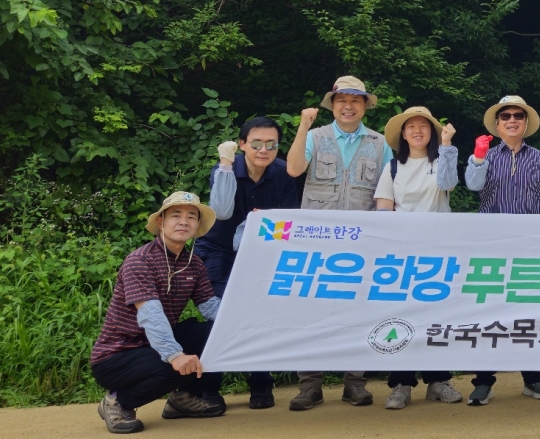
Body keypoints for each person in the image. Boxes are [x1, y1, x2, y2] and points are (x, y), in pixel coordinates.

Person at [284, 75, 393, 410]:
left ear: (365, 106)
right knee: (311, 312)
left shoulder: (379, 143)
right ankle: (309, 385)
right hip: (317, 243)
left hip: (362, 244)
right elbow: (293, 169)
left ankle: (354, 383)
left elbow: (387, 192)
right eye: (342, 100)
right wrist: (303, 125)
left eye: (355, 100)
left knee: (358, 311)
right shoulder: (315, 136)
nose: (348, 106)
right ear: (332, 105)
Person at [91, 192, 224, 434]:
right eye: (176, 215)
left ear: (197, 225)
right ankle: (118, 402)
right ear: (161, 222)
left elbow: (211, 308)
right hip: (118, 356)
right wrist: (175, 355)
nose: (183, 221)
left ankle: (183, 399)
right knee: (175, 366)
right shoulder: (140, 261)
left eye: (191, 217)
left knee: (215, 334)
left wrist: (246, 323)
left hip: (153, 347)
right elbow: (151, 315)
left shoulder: (194, 264)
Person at [463, 94, 540, 406]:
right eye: (506, 116)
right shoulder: (485, 155)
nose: (512, 120)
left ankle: (533, 379)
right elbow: (473, 185)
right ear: (497, 124)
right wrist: (478, 158)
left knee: (530, 313)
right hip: (492, 247)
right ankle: (483, 382)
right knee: (488, 314)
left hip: (532, 247)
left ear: (526, 122)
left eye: (518, 115)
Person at [197, 116, 298, 410]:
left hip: (262, 251)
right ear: (242, 144)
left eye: (271, 144)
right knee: (219, 314)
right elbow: (221, 211)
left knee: (261, 313)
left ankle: (261, 382)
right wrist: (225, 163)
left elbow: (289, 222)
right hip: (217, 249)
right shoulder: (225, 168)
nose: (263, 150)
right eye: (256, 143)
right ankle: (209, 387)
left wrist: (265, 223)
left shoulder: (284, 174)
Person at [373, 106, 464, 409]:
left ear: (432, 132)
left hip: (439, 251)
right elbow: (383, 209)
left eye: (423, 126)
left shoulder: (442, 160)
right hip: (401, 254)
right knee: (401, 316)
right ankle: (401, 384)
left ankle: (439, 381)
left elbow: (448, 184)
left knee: (436, 317)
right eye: (411, 126)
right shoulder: (392, 167)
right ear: (402, 133)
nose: (417, 130)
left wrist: (447, 145)